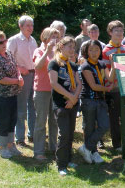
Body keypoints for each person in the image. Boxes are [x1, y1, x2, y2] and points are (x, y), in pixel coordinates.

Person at [48, 36, 82, 176]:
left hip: (72, 104)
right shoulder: (54, 64)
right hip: (61, 104)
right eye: (69, 47)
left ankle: (68, 160)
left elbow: (79, 84)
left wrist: (74, 99)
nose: (72, 50)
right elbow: (54, 84)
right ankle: (60, 165)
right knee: (63, 134)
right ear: (61, 47)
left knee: (70, 133)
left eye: (73, 47)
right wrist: (70, 97)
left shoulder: (73, 65)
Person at [0, 30, 24, 158]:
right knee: (4, 120)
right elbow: (0, 79)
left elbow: (16, 67)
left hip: (13, 93)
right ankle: (2, 147)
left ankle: (10, 145)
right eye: (0, 42)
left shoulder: (8, 53)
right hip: (1, 95)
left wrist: (19, 76)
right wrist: (17, 81)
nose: (4, 44)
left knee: (12, 119)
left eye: (5, 40)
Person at [78, 40, 115, 163]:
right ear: (86, 51)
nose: (94, 53)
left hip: (101, 100)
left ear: (100, 51)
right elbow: (93, 86)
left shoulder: (102, 64)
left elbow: (110, 78)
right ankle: (93, 152)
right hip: (89, 100)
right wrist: (107, 88)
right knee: (89, 128)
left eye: (97, 50)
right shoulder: (85, 66)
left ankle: (86, 147)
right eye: (91, 50)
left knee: (104, 125)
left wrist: (113, 64)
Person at [7, 15, 37, 147]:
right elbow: (7, 59)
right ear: (21, 26)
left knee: (33, 106)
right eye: (28, 25)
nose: (30, 28)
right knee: (21, 108)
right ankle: (20, 138)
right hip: (21, 76)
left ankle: (33, 134)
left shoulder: (33, 40)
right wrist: (19, 68)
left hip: (34, 75)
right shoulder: (14, 40)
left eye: (31, 25)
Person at [102, 20, 125, 151]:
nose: (119, 33)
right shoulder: (105, 51)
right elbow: (105, 72)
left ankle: (124, 137)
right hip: (112, 88)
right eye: (116, 31)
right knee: (114, 117)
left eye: (121, 31)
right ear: (110, 33)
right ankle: (117, 143)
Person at [32, 27, 60, 160]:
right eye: (53, 36)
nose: (56, 39)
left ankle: (54, 148)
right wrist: (47, 51)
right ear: (45, 37)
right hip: (42, 90)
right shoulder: (39, 50)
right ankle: (38, 151)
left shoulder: (58, 52)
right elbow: (37, 66)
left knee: (54, 121)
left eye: (57, 37)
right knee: (41, 121)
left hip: (55, 90)